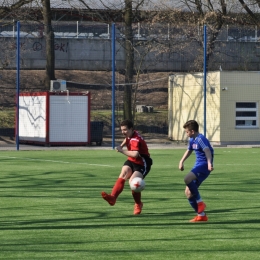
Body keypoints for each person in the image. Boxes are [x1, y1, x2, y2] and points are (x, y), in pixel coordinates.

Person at [101, 119, 152, 215]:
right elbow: (127, 139)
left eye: (125, 130)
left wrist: (121, 150)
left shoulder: (136, 140)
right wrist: (121, 145)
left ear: (131, 129)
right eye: (122, 130)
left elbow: (135, 154)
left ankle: (138, 204)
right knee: (123, 173)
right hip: (132, 160)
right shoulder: (131, 134)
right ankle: (113, 197)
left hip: (142, 163)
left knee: (134, 182)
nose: (123, 132)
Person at [178, 120, 214, 222]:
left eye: (187, 132)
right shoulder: (192, 140)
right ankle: (201, 215)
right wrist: (181, 161)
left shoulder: (200, 139)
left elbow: (207, 150)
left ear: (192, 131)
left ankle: (200, 202)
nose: (186, 134)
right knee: (188, 192)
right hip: (198, 165)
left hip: (204, 166)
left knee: (187, 179)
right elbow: (189, 150)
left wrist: (209, 163)